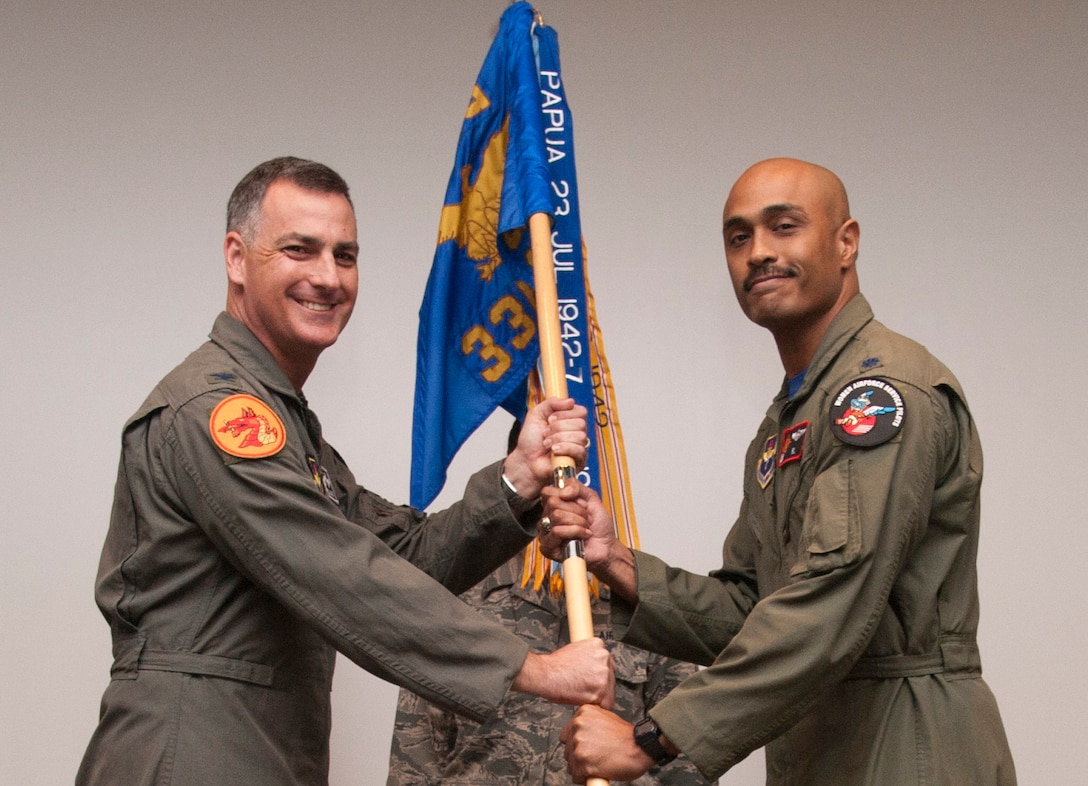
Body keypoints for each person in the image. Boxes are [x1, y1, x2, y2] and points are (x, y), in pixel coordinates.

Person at [76, 156, 615, 786]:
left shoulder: (286, 424)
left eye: (346, 255)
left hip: (259, 749)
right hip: (193, 750)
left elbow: (398, 555)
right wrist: (535, 668)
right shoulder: (220, 412)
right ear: (236, 257)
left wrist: (517, 479)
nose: (328, 277)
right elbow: (341, 576)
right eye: (299, 250)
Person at [543, 158, 1016, 784]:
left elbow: (830, 603)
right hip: (822, 742)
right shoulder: (791, 419)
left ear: (845, 242)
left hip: (907, 743)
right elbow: (751, 612)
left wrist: (650, 738)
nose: (759, 252)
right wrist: (615, 561)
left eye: (784, 227)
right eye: (739, 238)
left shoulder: (877, 395)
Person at [387, 424, 716, 786]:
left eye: (579, 467)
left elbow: (686, 756)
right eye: (552, 465)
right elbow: (415, 754)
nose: (566, 485)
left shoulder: (645, 604)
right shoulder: (462, 596)